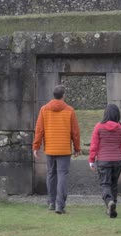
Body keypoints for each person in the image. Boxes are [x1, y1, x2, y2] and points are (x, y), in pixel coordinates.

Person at [33, 85, 81, 214]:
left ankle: (51, 202)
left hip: (50, 149)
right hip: (64, 149)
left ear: (53, 95)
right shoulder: (69, 110)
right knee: (62, 175)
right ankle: (60, 205)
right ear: (63, 95)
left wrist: (36, 146)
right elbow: (75, 132)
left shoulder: (44, 109)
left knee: (51, 174)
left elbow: (39, 130)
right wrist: (77, 147)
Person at [88, 104, 121, 218]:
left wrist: (91, 160)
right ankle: (112, 206)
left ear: (105, 114)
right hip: (117, 160)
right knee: (114, 184)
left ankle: (109, 202)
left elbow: (94, 145)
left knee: (105, 184)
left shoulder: (99, 127)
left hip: (103, 160)